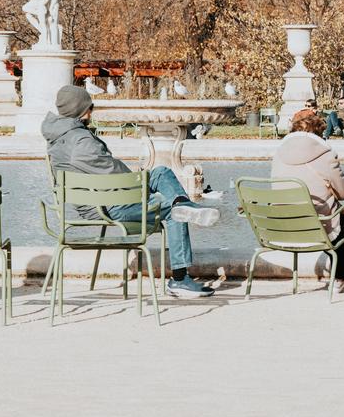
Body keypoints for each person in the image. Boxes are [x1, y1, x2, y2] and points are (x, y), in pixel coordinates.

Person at [43, 85, 220, 299]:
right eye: (90, 107)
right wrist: (137, 181)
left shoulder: (57, 138)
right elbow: (114, 173)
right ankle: (180, 279)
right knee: (176, 211)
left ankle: (185, 203)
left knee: (161, 172)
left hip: (97, 200)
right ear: (80, 110)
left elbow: (105, 172)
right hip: (108, 205)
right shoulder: (80, 141)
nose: (91, 112)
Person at [271, 108, 344, 288]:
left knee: (334, 218)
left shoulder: (278, 154)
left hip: (284, 225)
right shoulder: (325, 155)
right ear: (319, 130)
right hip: (317, 226)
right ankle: (341, 274)